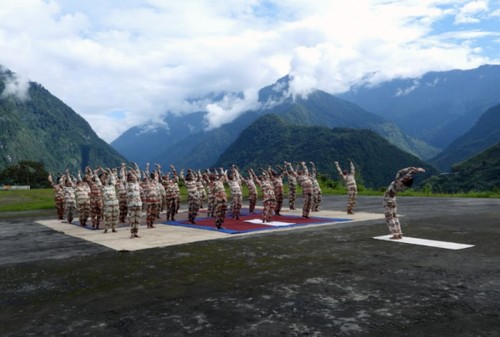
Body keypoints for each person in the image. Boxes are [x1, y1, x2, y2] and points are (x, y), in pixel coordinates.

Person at [383, 166, 426, 239]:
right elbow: (405, 173)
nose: (406, 177)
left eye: (406, 178)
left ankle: (395, 234)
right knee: (394, 215)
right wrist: (416, 171)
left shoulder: (398, 182)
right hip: (393, 198)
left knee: (389, 217)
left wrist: (416, 169)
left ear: (405, 180)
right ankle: (399, 233)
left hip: (388, 198)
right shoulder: (403, 184)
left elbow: (401, 171)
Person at [125, 162, 143, 238]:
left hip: (138, 204)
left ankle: (136, 232)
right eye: (132, 175)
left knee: (138, 219)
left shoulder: (137, 184)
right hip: (132, 204)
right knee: (132, 219)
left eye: (134, 175)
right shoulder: (127, 184)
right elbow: (124, 177)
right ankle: (132, 233)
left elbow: (138, 174)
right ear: (129, 177)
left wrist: (136, 166)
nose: (135, 176)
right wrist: (125, 170)